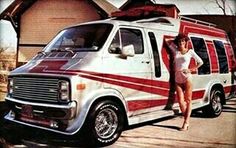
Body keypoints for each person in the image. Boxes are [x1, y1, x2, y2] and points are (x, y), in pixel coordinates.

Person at [165, 33, 203, 131]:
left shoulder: (190, 52)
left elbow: (200, 62)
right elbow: (166, 40)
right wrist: (174, 39)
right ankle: (187, 118)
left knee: (188, 100)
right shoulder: (175, 50)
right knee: (181, 102)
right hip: (177, 77)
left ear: (186, 42)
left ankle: (185, 123)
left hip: (187, 77)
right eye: (179, 41)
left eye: (183, 41)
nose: (181, 43)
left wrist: (191, 69)